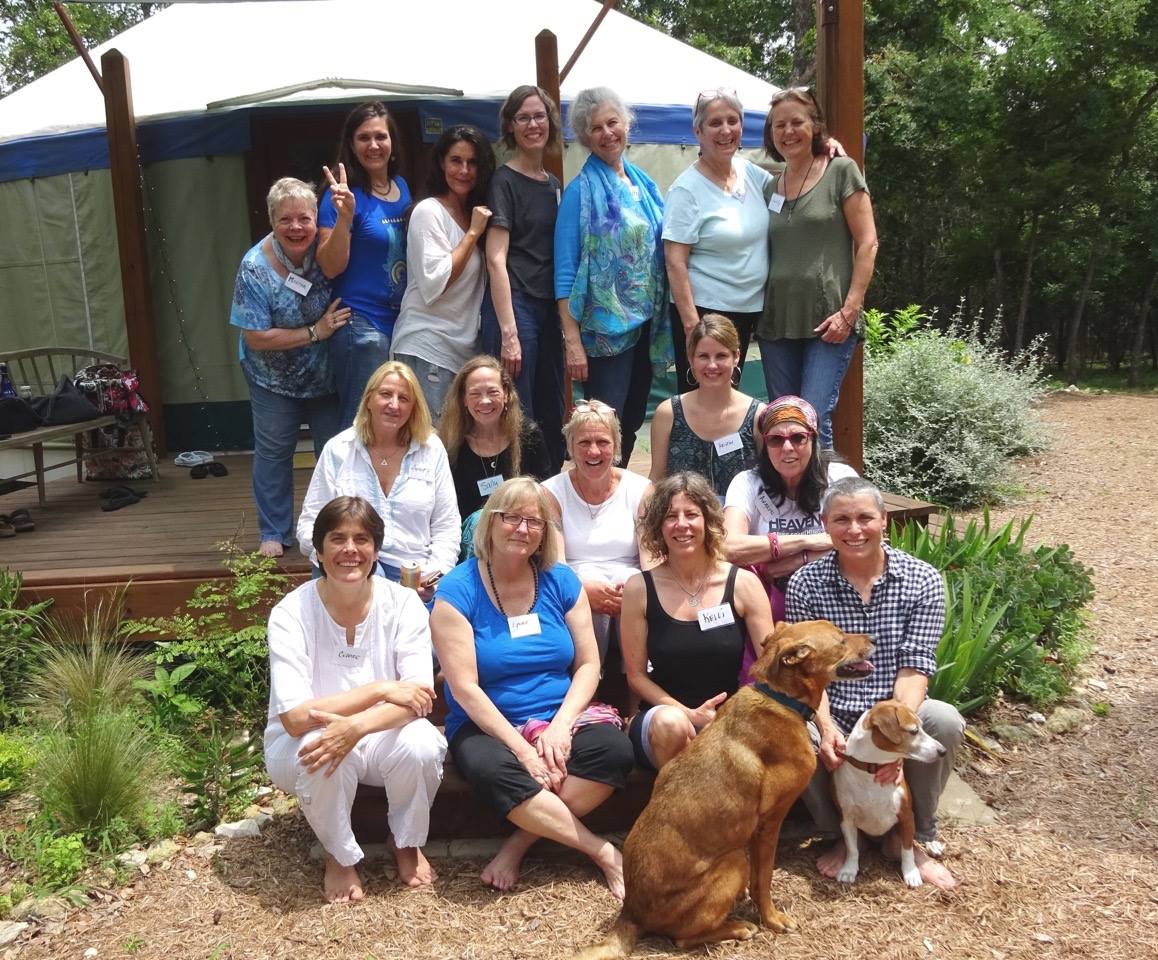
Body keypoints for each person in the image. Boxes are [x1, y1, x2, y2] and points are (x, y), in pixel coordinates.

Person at [430, 478, 634, 897]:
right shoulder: (456, 590)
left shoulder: (561, 580)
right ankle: (600, 851)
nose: (522, 529)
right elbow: (464, 688)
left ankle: (520, 841)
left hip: (561, 711)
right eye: (512, 518)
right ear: (491, 523)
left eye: (534, 522)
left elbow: (589, 664)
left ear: (546, 534)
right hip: (488, 722)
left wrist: (560, 727)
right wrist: (524, 750)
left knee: (614, 751)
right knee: (493, 771)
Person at [264, 496, 447, 901]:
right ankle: (339, 854)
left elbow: (418, 697)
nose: (350, 550)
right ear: (318, 550)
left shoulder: (403, 604)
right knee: (321, 745)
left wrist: (356, 725)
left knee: (423, 743)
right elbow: (295, 719)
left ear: (377, 551)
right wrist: (380, 689)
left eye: (362, 539)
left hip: (381, 732)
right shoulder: (290, 613)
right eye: (337, 539)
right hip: (298, 743)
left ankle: (405, 840)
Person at [785, 476, 963, 890]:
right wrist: (826, 728)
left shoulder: (922, 580)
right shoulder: (805, 584)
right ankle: (846, 837)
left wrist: (898, 740)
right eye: (841, 519)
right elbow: (810, 676)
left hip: (895, 709)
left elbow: (916, 667)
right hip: (834, 705)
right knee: (797, 733)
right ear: (825, 524)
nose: (854, 529)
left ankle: (912, 834)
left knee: (944, 721)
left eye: (865, 517)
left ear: (884, 520)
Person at [620, 472, 774, 771]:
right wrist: (689, 714)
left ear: (708, 521)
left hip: (730, 716)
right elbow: (636, 677)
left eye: (691, 514)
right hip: (662, 718)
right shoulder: (639, 588)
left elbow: (771, 665)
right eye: (670, 516)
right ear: (658, 527)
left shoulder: (743, 584)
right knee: (672, 724)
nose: (681, 524)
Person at [229, 178, 349, 558]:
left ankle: (335, 527)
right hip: (272, 378)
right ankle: (274, 531)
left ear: (316, 218)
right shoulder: (254, 268)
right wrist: (315, 332)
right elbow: (255, 337)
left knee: (334, 451)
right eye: (285, 220)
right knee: (274, 451)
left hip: (325, 376)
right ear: (271, 220)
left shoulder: (326, 251)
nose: (296, 228)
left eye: (304, 218)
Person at [757, 88, 879, 449]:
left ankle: (820, 504)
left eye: (797, 122)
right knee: (782, 419)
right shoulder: (768, 185)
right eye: (780, 125)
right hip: (777, 321)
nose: (788, 131)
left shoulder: (841, 171)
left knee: (811, 417)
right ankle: (787, 505)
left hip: (830, 320)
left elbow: (868, 242)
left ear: (815, 126)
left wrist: (850, 310)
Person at [554, 87, 670, 465]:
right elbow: (566, 270)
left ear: (626, 125)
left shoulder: (642, 184)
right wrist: (572, 341)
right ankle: (595, 495)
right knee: (602, 424)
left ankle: (617, 488)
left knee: (632, 418)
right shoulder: (579, 193)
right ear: (585, 138)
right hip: (603, 333)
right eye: (596, 128)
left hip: (646, 324)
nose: (606, 133)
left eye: (612, 123)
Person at [297, 361, 460, 595]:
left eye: (403, 398)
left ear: (414, 407)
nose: (394, 405)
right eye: (385, 394)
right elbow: (310, 523)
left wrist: (434, 573)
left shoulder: (431, 449)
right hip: (350, 565)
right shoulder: (339, 449)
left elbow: (447, 525)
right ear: (368, 399)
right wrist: (332, 557)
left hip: (414, 573)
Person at [662, 88, 774, 391]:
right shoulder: (687, 190)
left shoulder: (752, 173)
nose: (726, 130)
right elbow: (675, 262)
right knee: (704, 402)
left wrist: (825, 148)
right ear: (697, 131)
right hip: (706, 313)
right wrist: (692, 327)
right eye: (714, 123)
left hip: (748, 309)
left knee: (730, 404)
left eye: (732, 121)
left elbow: (795, 187)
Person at [480, 85, 566, 473]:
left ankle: (547, 490)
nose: (533, 124)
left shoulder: (553, 184)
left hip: (550, 306)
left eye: (539, 116)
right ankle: (518, 490)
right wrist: (509, 332)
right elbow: (495, 258)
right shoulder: (504, 181)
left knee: (550, 404)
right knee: (519, 405)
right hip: (516, 304)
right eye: (524, 117)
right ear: (510, 127)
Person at [317, 102, 412, 428]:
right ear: (351, 144)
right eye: (363, 138)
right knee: (358, 426)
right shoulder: (341, 197)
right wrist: (345, 218)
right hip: (362, 328)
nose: (373, 145)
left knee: (392, 423)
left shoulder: (404, 188)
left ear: (392, 142)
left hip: (401, 326)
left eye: (380, 136)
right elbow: (330, 267)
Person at [392, 125, 495, 419]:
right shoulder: (429, 211)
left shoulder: (474, 212)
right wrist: (473, 234)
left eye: (472, 162)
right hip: (428, 348)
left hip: (463, 354)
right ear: (441, 163)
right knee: (431, 450)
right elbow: (435, 282)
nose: (464, 170)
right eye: (456, 160)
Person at [723, 395, 856, 620]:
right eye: (776, 439)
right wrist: (810, 541)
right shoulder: (747, 482)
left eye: (797, 438)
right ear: (765, 445)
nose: (787, 448)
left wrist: (792, 561)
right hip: (766, 601)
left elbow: (861, 539)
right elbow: (728, 547)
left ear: (813, 440)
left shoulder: (840, 477)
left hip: (835, 595)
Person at [542, 401, 652, 662]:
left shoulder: (641, 489)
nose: (594, 451)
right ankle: (590, 686)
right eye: (583, 443)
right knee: (585, 592)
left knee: (633, 581)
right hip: (575, 583)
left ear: (616, 446)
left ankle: (637, 695)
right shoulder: (550, 492)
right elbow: (557, 564)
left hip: (629, 582)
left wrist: (636, 590)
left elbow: (652, 560)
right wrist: (581, 589)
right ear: (570, 447)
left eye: (603, 442)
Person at [649, 314, 764, 501]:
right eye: (703, 356)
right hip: (683, 522)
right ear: (690, 358)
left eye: (721, 356)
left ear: (736, 357)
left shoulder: (758, 416)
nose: (712, 365)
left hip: (740, 521)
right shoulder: (668, 413)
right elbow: (657, 479)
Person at [439, 355, 552, 542]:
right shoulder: (450, 444)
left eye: (493, 392)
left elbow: (544, 497)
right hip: (468, 541)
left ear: (506, 394)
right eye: (475, 393)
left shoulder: (528, 436)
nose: (485, 401)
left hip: (521, 536)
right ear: (464, 399)